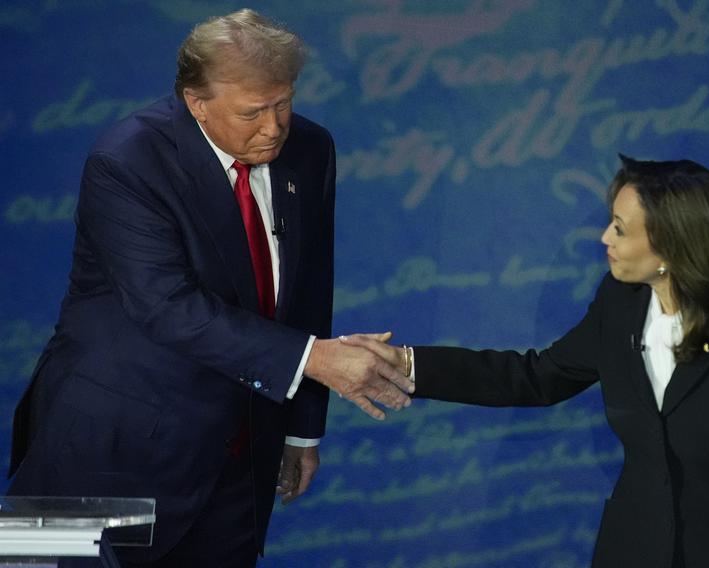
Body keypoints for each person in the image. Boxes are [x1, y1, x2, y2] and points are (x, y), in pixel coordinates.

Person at [6, 9, 412, 567]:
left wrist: (299, 432)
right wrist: (316, 360)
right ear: (196, 103)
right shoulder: (126, 161)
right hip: (104, 449)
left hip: (238, 457)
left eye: (283, 103)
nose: (273, 127)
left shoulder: (311, 148)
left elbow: (308, 290)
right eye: (252, 112)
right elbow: (166, 306)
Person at [344, 156, 709, 568]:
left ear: (672, 247)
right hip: (634, 549)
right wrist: (407, 363)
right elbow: (538, 377)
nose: (604, 240)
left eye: (620, 229)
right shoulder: (621, 302)